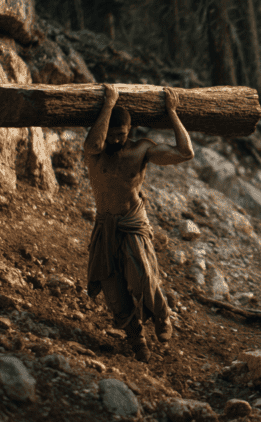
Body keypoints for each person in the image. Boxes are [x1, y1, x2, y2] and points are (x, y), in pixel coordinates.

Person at [83, 84, 194, 361]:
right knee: (114, 292)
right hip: (105, 225)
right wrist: (109, 104)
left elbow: (185, 152)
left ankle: (162, 316)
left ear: (129, 132)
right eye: (112, 135)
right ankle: (136, 340)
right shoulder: (95, 149)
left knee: (142, 278)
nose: (117, 140)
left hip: (133, 222)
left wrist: (172, 112)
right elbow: (95, 143)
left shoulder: (141, 150)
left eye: (122, 135)